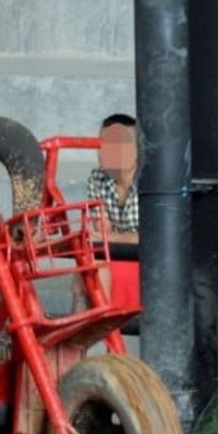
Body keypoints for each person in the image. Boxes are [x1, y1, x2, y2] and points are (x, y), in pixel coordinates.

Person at [77, 113, 140, 313]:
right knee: (87, 263)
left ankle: (101, 335)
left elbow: (155, 238)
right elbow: (100, 234)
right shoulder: (98, 178)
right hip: (114, 254)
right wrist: (114, 237)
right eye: (102, 144)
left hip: (149, 259)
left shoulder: (153, 181)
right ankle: (81, 334)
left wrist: (111, 237)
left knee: (95, 263)